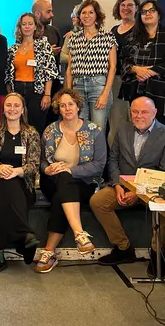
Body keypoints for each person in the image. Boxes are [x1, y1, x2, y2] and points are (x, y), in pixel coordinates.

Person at [90, 96, 165, 266]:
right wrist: (116, 185)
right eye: (135, 112)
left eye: (144, 112)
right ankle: (123, 248)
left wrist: (138, 193)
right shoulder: (122, 130)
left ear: (154, 113)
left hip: (153, 191)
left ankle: (158, 255)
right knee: (98, 202)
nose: (139, 116)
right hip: (123, 186)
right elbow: (113, 160)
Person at [36, 88, 107, 273]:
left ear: (78, 106)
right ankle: (80, 234)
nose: (67, 108)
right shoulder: (50, 131)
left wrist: (70, 170)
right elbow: (42, 161)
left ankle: (48, 251)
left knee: (62, 195)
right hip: (51, 181)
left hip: (84, 184)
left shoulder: (94, 131)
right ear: (58, 109)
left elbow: (99, 165)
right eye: (62, 105)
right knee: (62, 179)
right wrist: (48, 168)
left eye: (70, 104)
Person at [0, 93, 41, 277]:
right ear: (3, 108)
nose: (12, 109)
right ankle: (24, 235)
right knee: (2, 186)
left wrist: (17, 171)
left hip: (24, 186)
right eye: (8, 105)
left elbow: (34, 164)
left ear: (23, 109)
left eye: (16, 105)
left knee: (7, 189)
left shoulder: (31, 133)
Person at [120, 0, 165, 130]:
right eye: (144, 12)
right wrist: (136, 69)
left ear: (158, 15)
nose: (147, 14)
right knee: (138, 130)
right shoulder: (132, 37)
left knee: (164, 132)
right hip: (136, 90)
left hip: (161, 91)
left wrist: (149, 72)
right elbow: (123, 60)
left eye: (151, 11)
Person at [65, 0, 117, 129]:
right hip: (78, 87)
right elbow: (70, 68)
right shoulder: (74, 38)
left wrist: (105, 94)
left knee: (97, 130)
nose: (87, 16)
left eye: (91, 12)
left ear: (97, 15)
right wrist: (69, 92)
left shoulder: (107, 37)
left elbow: (113, 67)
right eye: (83, 12)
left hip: (98, 86)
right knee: (79, 129)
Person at [4, 12, 57, 137]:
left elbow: (49, 71)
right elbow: (7, 74)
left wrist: (47, 94)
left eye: (30, 24)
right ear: (20, 27)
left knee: (36, 126)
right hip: (17, 90)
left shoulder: (43, 46)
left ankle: (36, 155)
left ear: (35, 27)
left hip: (36, 91)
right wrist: (10, 94)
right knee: (18, 125)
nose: (27, 27)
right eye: (24, 24)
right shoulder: (12, 49)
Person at [108, 0, 139, 148]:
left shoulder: (141, 29)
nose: (126, 8)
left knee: (136, 121)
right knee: (116, 123)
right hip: (116, 81)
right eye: (123, 5)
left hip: (136, 81)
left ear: (136, 8)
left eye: (130, 5)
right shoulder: (113, 31)